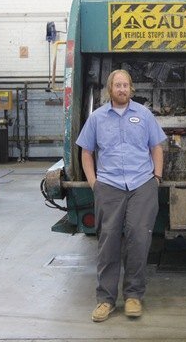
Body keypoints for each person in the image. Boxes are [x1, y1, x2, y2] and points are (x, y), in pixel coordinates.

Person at [76, 69, 167, 322]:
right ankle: (106, 300)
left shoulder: (144, 114)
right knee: (108, 243)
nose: (122, 89)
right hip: (109, 186)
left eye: (126, 85)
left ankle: (133, 296)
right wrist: (94, 183)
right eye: (118, 85)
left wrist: (156, 178)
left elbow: (156, 147)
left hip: (142, 185)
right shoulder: (97, 118)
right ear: (110, 89)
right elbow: (86, 152)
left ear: (131, 88)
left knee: (139, 239)